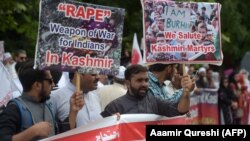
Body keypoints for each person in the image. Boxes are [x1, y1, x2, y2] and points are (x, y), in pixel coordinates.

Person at [0, 60, 84, 141]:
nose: (53, 84)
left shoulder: (48, 105)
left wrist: (73, 111)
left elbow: (61, 135)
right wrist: (32, 132)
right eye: (50, 81)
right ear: (37, 85)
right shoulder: (14, 109)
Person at [101, 64, 192, 117]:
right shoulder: (114, 107)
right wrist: (112, 121)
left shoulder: (154, 101)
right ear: (128, 83)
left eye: (146, 80)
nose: (144, 84)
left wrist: (186, 92)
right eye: (139, 80)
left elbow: (180, 110)